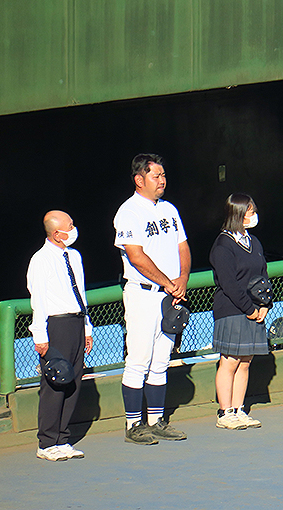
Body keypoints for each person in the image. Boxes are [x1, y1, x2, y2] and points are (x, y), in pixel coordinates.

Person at [114, 153, 190, 445]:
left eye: (163, 175)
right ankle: (134, 424)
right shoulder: (129, 212)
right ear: (139, 179)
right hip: (143, 294)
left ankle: (156, 420)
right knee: (139, 360)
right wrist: (169, 283)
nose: (162, 180)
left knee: (161, 360)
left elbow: (183, 246)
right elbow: (136, 256)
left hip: (170, 294)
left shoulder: (169, 209)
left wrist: (182, 280)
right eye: (156, 176)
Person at [28, 211, 93, 461]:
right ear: (56, 233)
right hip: (57, 325)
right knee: (56, 382)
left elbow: (82, 294)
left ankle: (62, 439)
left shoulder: (74, 256)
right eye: (70, 226)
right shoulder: (41, 260)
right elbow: (39, 300)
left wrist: (87, 328)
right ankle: (46, 442)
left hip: (76, 322)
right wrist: (40, 336)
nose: (73, 229)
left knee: (74, 380)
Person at [209, 194, 269, 430]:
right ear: (238, 214)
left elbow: (262, 275)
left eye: (254, 210)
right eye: (250, 211)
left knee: (245, 361)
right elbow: (229, 283)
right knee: (230, 360)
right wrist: (250, 309)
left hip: (255, 309)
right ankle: (225, 413)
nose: (254, 215)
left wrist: (264, 305)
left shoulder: (254, 241)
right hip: (232, 310)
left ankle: (238, 409)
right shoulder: (223, 245)